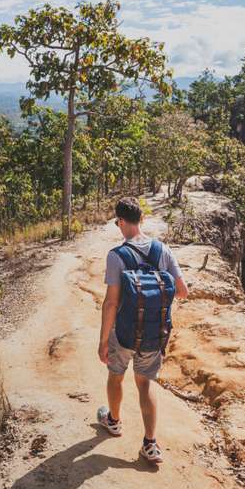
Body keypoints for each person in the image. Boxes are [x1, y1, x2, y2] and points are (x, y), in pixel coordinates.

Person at [97, 197, 188, 463]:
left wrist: (103, 341)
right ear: (142, 220)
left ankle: (113, 421)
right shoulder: (163, 250)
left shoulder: (116, 256)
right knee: (145, 383)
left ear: (121, 222)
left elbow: (111, 302)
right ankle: (150, 444)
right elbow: (183, 292)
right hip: (153, 333)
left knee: (116, 376)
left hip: (123, 333)